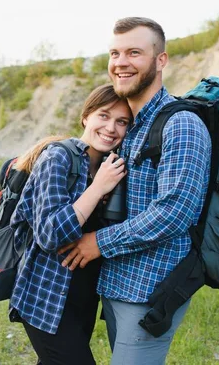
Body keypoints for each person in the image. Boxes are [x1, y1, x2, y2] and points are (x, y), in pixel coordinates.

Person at [59, 17, 212, 364]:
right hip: (117, 283)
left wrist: (97, 242)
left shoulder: (181, 124)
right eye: (114, 53)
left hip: (150, 288)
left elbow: (174, 212)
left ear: (161, 61)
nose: (120, 62)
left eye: (134, 52)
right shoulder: (131, 124)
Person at [9, 84, 132, 365]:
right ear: (86, 117)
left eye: (121, 121)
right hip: (46, 296)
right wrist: (98, 188)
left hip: (82, 298)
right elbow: (49, 234)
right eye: (104, 116)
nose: (111, 128)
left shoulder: (110, 165)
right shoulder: (58, 157)